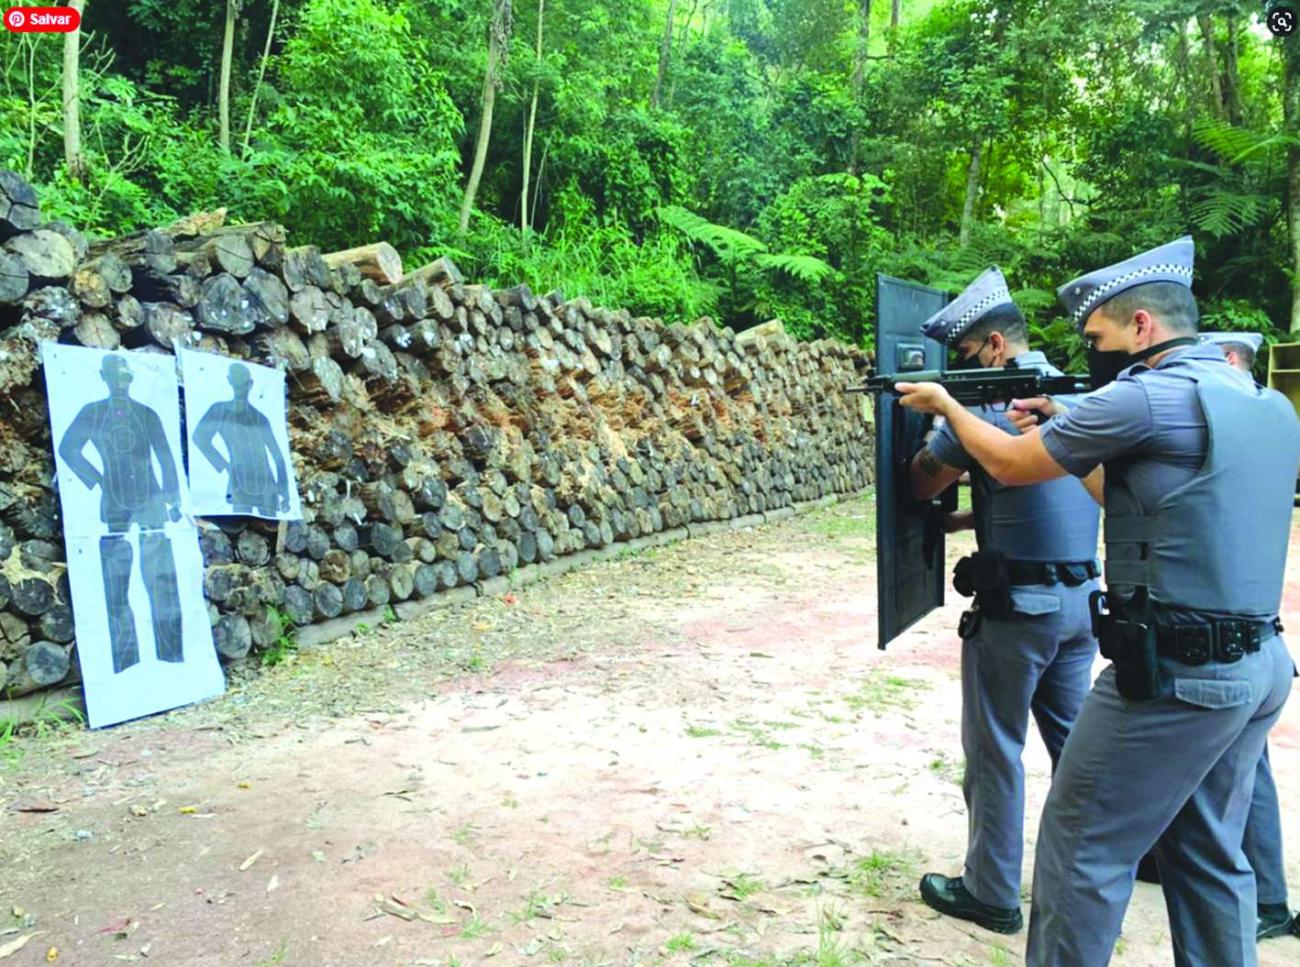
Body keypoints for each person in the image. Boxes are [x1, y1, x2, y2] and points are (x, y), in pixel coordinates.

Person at [895, 236, 1300, 966]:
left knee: (1079, 845)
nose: (1092, 352)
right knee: (1207, 852)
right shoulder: (1262, 401)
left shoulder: (1145, 394)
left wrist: (950, 405)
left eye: (1098, 335)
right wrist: (1061, 432)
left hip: (1178, 670)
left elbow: (1013, 465)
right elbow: (1130, 497)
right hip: (1258, 662)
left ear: (1142, 326)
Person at [905, 267, 1102, 935]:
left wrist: (934, 430)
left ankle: (989, 889)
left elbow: (924, 483)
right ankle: (1107, 866)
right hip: (1081, 601)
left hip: (1019, 609)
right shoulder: (1076, 397)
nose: (959, 372)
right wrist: (973, 520)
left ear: (994, 346)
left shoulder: (986, 408)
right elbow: (1039, 485)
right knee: (1079, 749)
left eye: (964, 359)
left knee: (994, 749)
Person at [58, 354, 185, 673]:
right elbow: (69, 447)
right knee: (116, 584)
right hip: (114, 502)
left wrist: (172, 498)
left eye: (125, 378)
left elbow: (166, 457)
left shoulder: (147, 414)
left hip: (151, 501)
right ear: (104, 377)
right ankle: (126, 663)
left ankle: (172, 657)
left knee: (162, 580)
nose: (121, 383)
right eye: (115, 377)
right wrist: (96, 479)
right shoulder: (94, 412)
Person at [192, 361, 291, 516]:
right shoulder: (220, 410)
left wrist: (284, 492)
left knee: (271, 531)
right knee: (239, 529)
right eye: (238, 384)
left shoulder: (260, 418)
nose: (242, 388)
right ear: (229, 381)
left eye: (244, 384)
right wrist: (224, 465)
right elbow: (199, 437)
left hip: (267, 485)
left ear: (250, 384)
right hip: (239, 480)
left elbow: (278, 456)